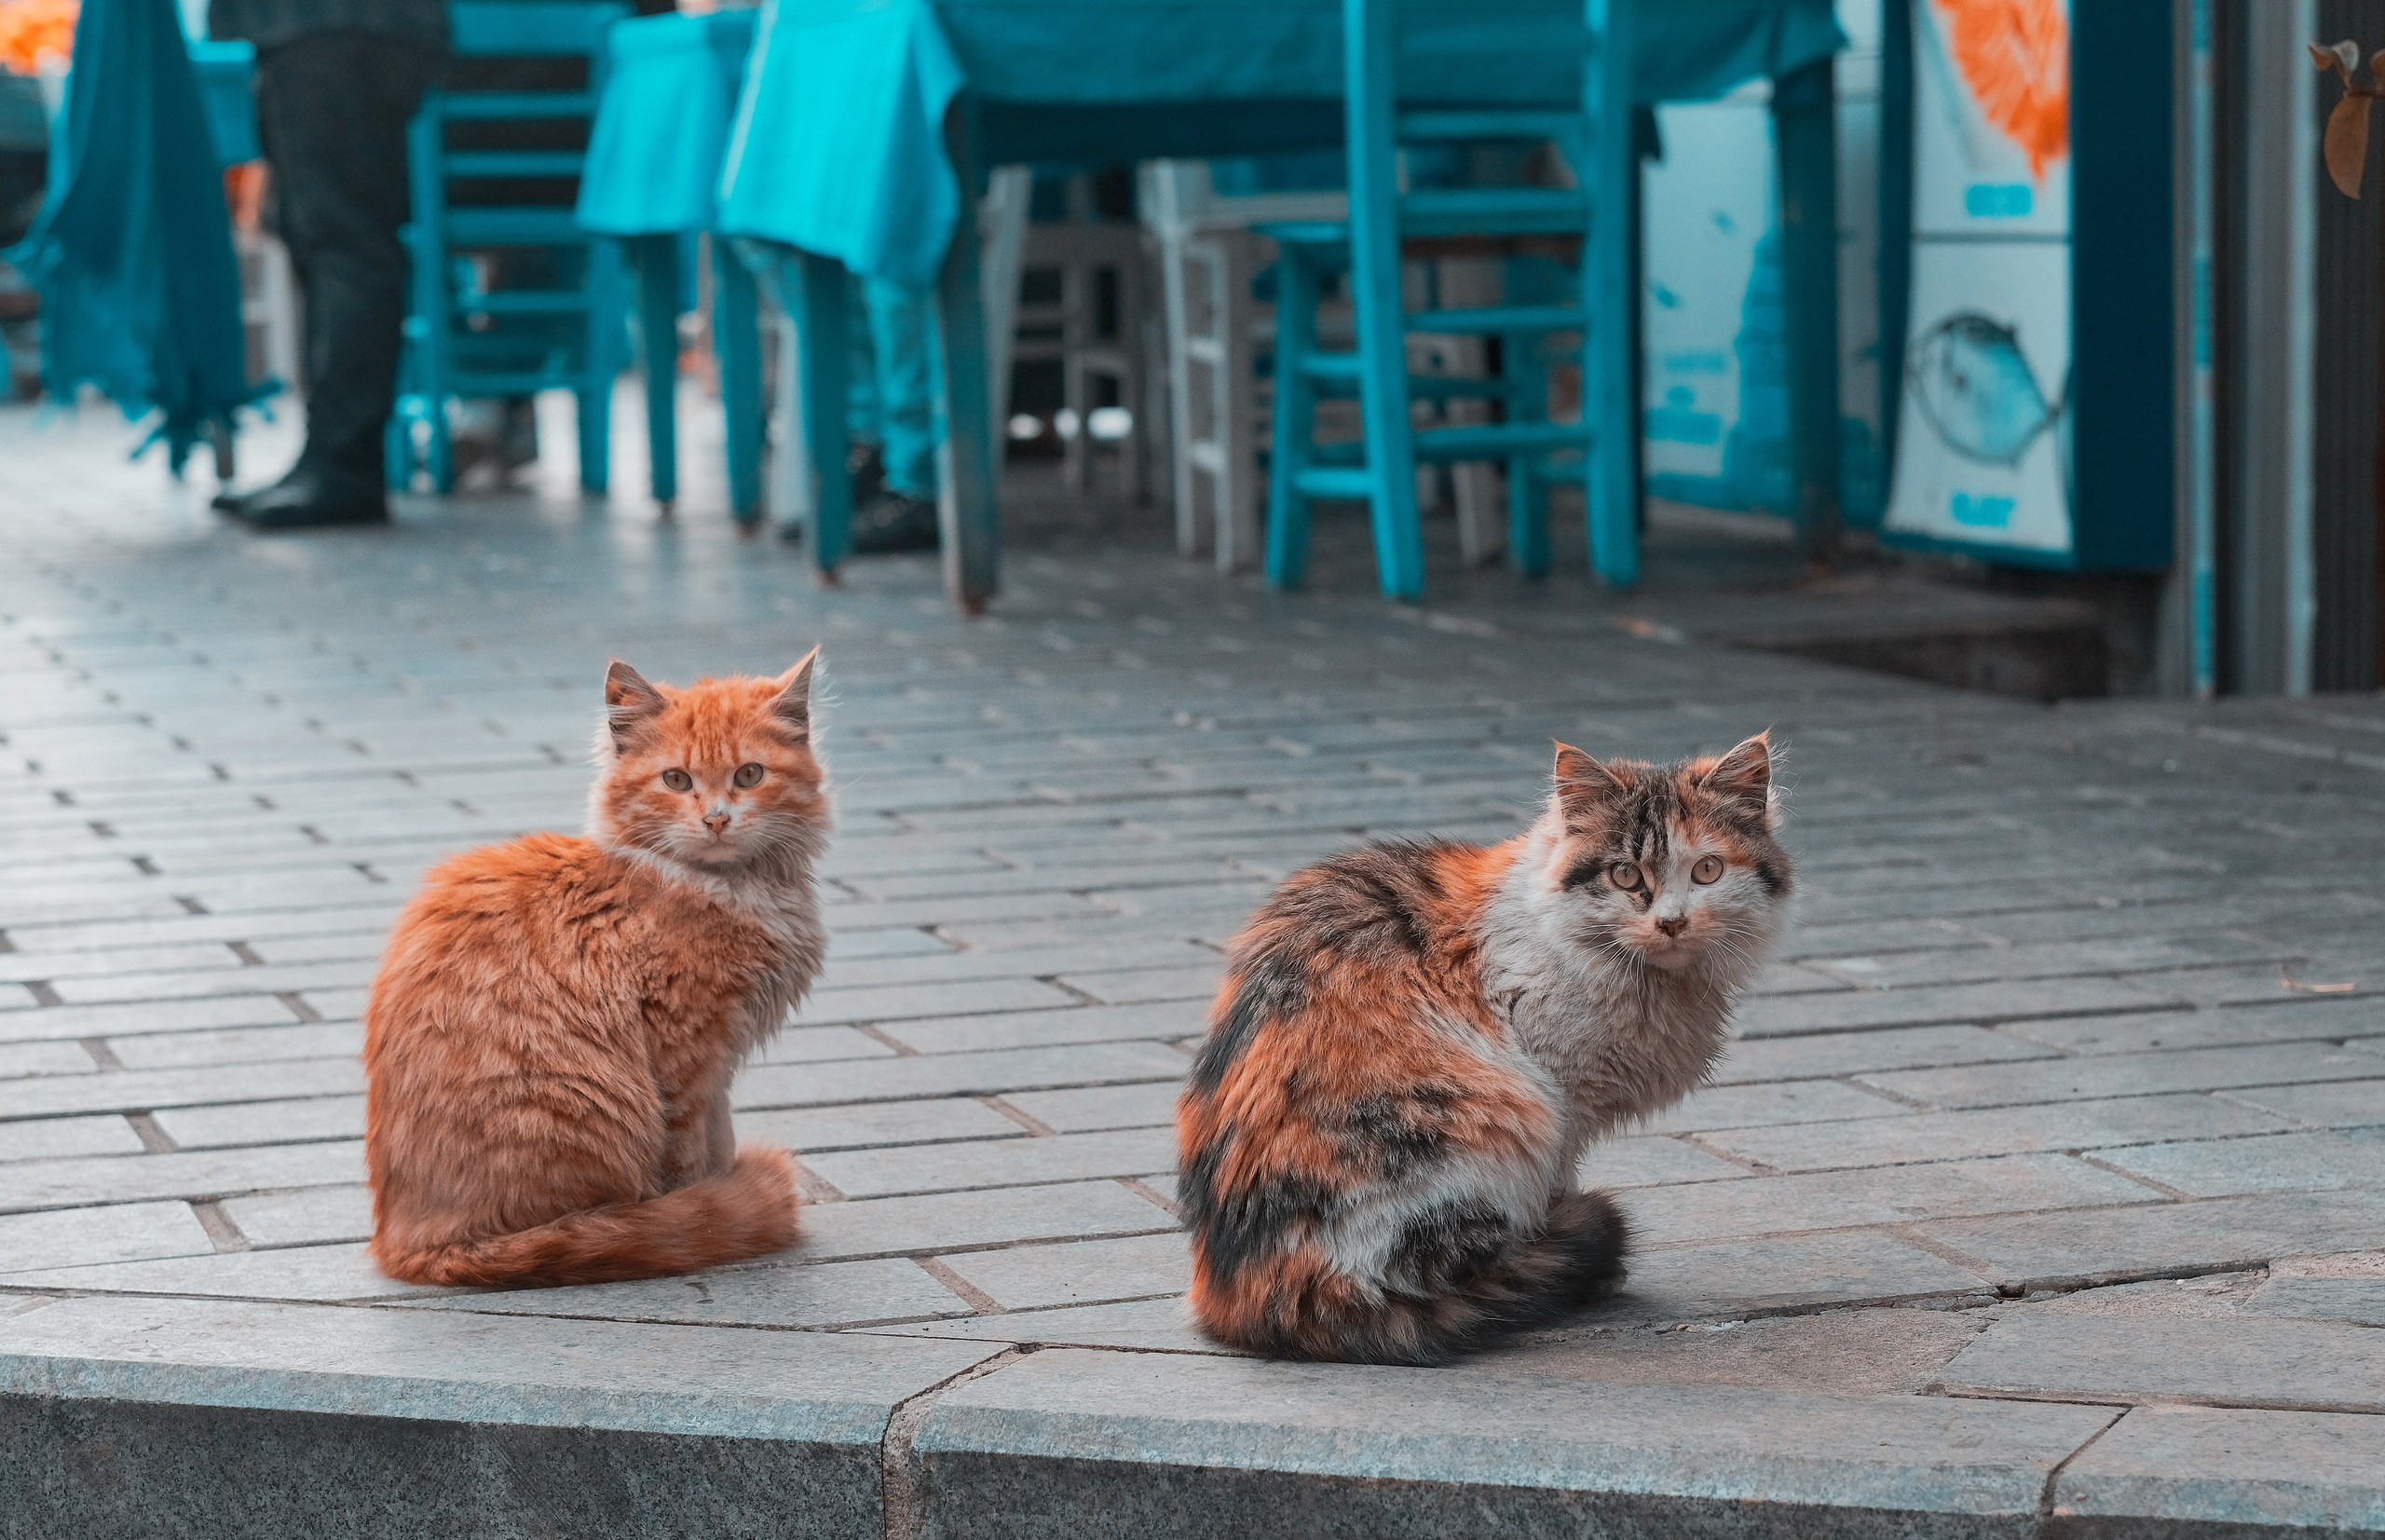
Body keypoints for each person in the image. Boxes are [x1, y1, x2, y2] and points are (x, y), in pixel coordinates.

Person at [206, 0, 446, 527]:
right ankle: (330, 459)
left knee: (341, 239)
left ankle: (342, 467)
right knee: (322, 234)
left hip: (335, 29)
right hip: (342, 33)